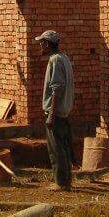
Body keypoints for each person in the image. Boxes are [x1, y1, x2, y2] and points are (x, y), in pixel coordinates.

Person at [36, 30, 74, 190]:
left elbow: (57, 89)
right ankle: (66, 180)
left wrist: (51, 115)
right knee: (63, 146)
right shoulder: (64, 58)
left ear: (47, 44)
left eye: (41, 42)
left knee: (56, 149)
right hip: (63, 111)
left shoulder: (55, 60)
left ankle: (61, 183)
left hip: (56, 113)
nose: (40, 45)